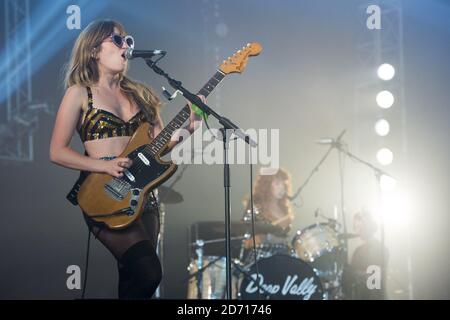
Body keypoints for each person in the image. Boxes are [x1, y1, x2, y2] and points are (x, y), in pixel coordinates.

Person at [49, 19, 204, 299]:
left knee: (135, 281)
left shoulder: (142, 94)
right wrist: (104, 165)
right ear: (94, 50)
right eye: (117, 40)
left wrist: (188, 129)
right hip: (104, 192)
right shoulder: (79, 93)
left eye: (128, 40)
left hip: (144, 195)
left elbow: (161, 144)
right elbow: (57, 151)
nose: (126, 46)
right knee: (148, 271)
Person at [241, 168, 295, 262]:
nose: (281, 187)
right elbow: (244, 229)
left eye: (283, 184)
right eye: (277, 183)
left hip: (281, 256)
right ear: (266, 185)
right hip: (259, 258)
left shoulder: (284, 208)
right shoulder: (256, 203)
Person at [343, 209, 389, 299]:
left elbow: (373, 281)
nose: (356, 231)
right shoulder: (358, 251)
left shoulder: (378, 249)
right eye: (355, 227)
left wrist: (352, 273)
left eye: (358, 227)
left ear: (367, 226)